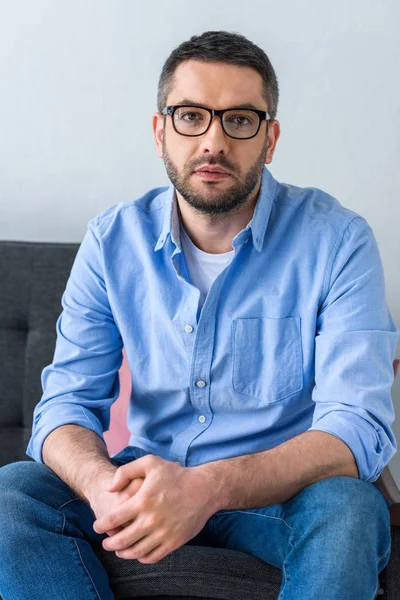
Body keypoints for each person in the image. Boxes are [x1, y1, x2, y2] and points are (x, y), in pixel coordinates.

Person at [0, 30, 398, 600]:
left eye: (239, 120)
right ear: (160, 131)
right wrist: (104, 486)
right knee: (15, 495)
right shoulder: (113, 240)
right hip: (144, 478)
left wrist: (204, 488)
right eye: (190, 116)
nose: (213, 140)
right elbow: (64, 406)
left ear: (270, 138)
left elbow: (356, 428)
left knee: (350, 507)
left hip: (276, 498)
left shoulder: (338, 241)